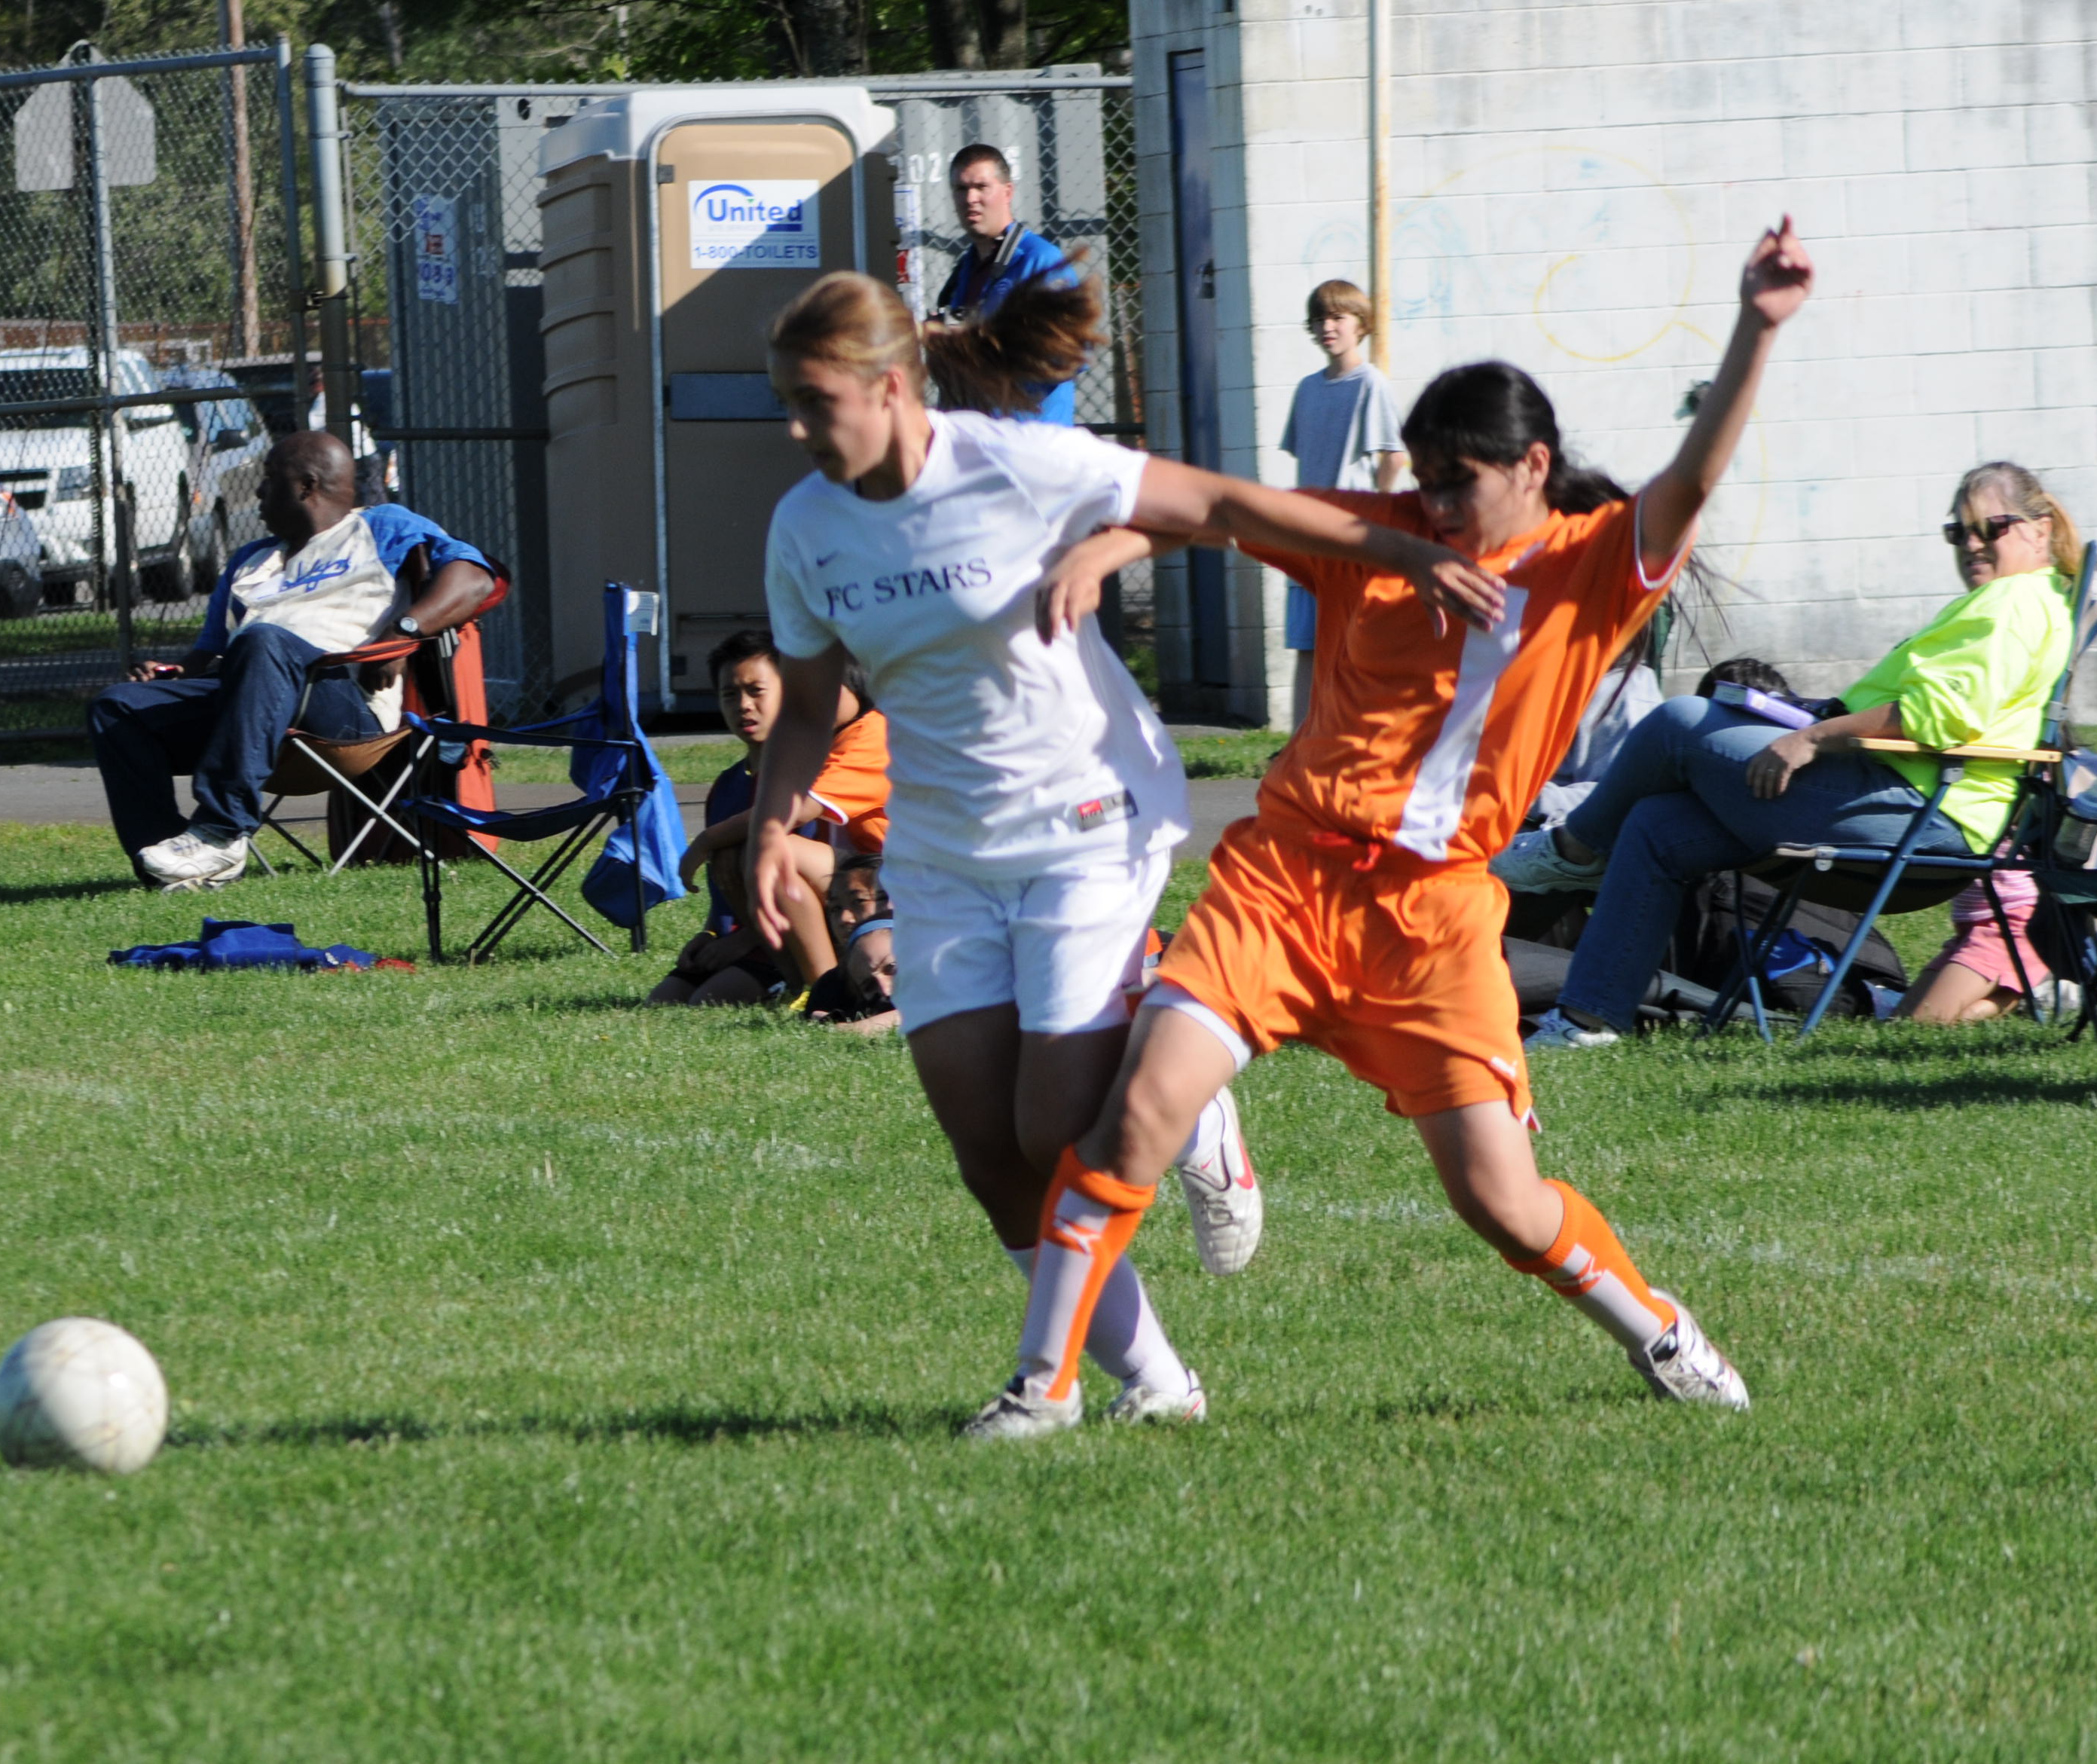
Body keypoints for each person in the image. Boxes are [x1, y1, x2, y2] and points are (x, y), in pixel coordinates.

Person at [999, 221, 1817, 1440]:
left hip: (1432, 923)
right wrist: (1113, 542)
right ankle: (1043, 1388)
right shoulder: (1378, 539)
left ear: (1532, 466)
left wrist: (1755, 325)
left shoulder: (1593, 563)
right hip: (1285, 882)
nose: (1429, 504)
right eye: (1420, 479)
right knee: (1135, 1116)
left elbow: (1690, 482)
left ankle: (1657, 1327)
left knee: (1501, 1204)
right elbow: (1220, 511)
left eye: (1455, 482)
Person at [747, 268, 1505, 1438]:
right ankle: (1156, 1381)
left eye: (814, 403)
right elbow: (807, 706)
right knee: (988, 1154)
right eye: (787, 407)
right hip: (943, 853)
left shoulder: (1017, 463)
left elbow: (1225, 503)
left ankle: (1187, 1107)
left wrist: (1401, 555)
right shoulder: (805, 525)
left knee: (1054, 1128)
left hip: (1087, 824)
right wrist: (771, 823)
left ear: (890, 388)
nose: (796, 433)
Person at [1502, 457, 2080, 1046]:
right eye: (1959, 532)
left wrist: (1810, 738)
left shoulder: (2014, 604)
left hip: (1920, 813)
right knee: (1658, 826)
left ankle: (1573, 849)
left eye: (1991, 527)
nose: (1973, 544)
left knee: (1677, 721)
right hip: (1900, 795)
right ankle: (1588, 1020)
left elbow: (1933, 718)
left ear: (2039, 530)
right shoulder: (2022, 602)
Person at [84, 431, 494, 891]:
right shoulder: (249, 560)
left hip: (342, 706)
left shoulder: (383, 527)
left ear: (306, 486)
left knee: (264, 641)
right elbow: (206, 656)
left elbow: (475, 579)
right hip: (246, 701)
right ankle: (173, 864)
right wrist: (175, 675)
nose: (258, 492)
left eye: (268, 478)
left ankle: (222, 830)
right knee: (117, 707)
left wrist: (403, 632)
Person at [656, 628, 894, 1007]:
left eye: (757, 691)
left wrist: (706, 839)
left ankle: (824, 987)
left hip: (901, 883)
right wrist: (714, 934)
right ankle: (799, 979)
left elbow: (797, 812)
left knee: (775, 845)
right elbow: (729, 882)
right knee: (665, 1001)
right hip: (842, 890)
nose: (743, 705)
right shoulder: (733, 782)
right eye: (730, 694)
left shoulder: (870, 736)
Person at [1280, 280, 1408, 729]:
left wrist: (1376, 515)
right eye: (1320, 319)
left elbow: (1393, 456)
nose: (1328, 327)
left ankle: (1358, 734)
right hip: (1307, 537)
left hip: (1350, 540)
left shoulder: (1371, 383)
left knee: (1356, 644)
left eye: (1338, 317)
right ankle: (1301, 741)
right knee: (1308, 644)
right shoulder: (1307, 389)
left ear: (1360, 324)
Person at [928, 144, 1080, 425]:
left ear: (1007, 192)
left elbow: (1073, 355)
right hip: (978, 437)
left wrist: (985, 345)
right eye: (961, 189)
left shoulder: (1041, 261)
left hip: (1030, 440)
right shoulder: (966, 269)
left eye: (981, 187)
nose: (970, 199)